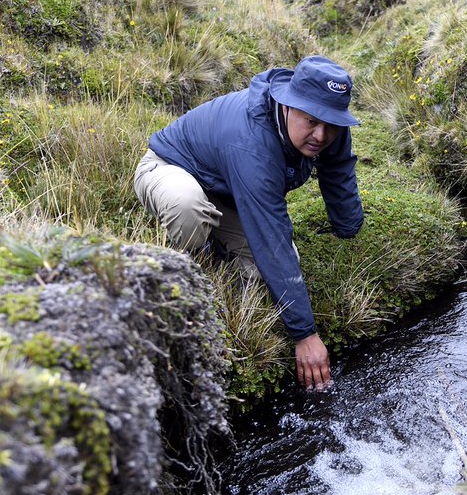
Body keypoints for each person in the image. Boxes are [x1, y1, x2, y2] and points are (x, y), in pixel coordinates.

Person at [133, 55, 363, 390]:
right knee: (188, 207)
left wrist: (348, 226)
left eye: (330, 124)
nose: (320, 134)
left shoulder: (327, 128)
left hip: (228, 195)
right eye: (311, 121)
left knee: (264, 277)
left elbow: (338, 170)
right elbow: (272, 238)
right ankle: (194, 262)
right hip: (169, 170)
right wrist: (305, 335)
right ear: (288, 105)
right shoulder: (253, 140)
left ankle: (217, 240)